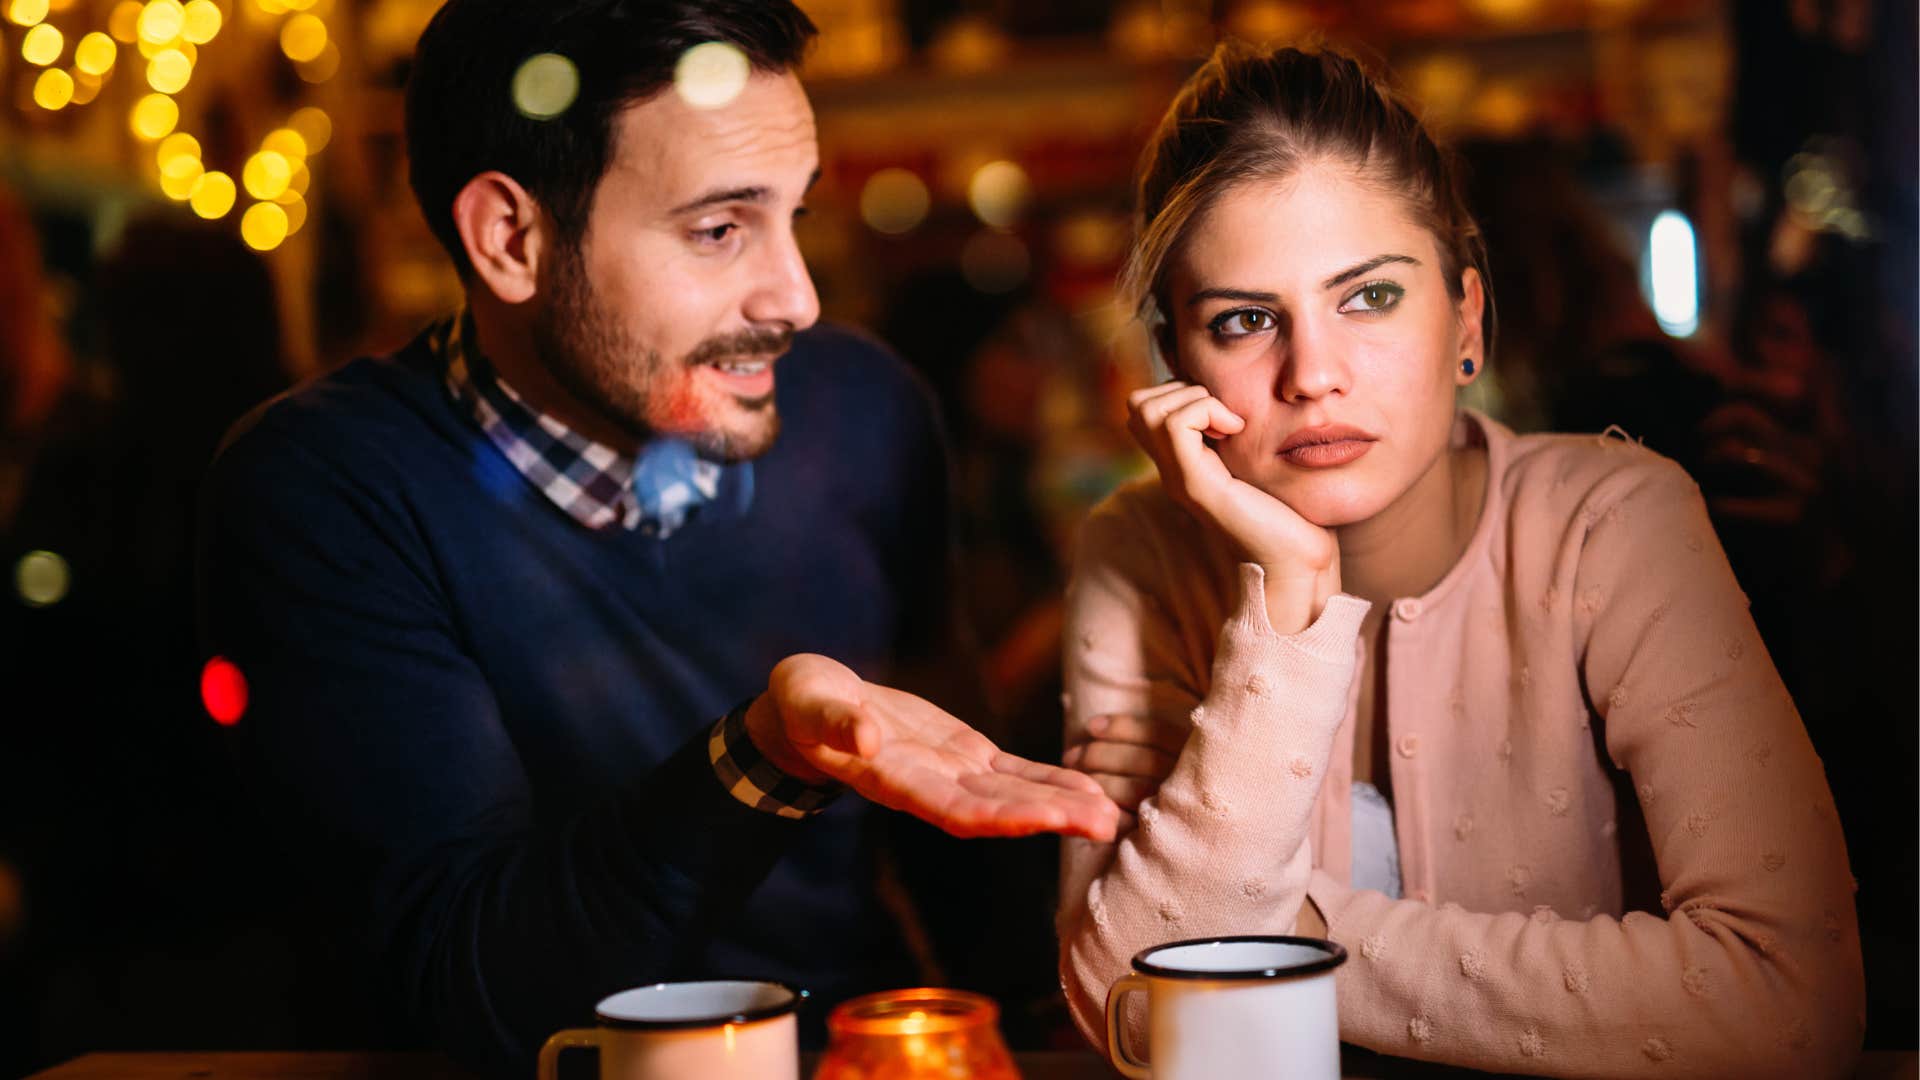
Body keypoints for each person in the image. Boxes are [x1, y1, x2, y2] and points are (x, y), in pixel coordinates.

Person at [196, 2, 1116, 1075]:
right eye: (721, 229)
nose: (799, 298)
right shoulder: (333, 487)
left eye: (794, 217)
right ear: (512, 239)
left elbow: (957, 839)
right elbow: (460, 989)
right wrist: (762, 759)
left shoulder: (866, 409)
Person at [1055, 43, 1863, 1077]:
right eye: (1246, 321)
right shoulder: (1139, 553)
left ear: (1466, 320)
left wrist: (1271, 923)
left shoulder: (1610, 520)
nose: (1314, 375)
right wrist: (1290, 603)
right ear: (1175, 361)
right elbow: (1115, 1010)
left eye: (1370, 298)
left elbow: (1791, 1002)